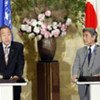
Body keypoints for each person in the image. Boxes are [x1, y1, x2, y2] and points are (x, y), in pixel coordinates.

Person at [72, 28, 100, 100]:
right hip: (82, 84)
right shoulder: (80, 51)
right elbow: (76, 64)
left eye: (86, 36)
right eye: (83, 36)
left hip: (97, 84)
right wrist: (74, 75)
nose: (84, 38)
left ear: (93, 37)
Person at [0, 25, 24, 100]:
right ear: (0, 37)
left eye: (9, 34)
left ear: (11, 35)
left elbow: (20, 63)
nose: (7, 37)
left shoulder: (18, 46)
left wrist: (17, 76)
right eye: (4, 35)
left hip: (14, 82)